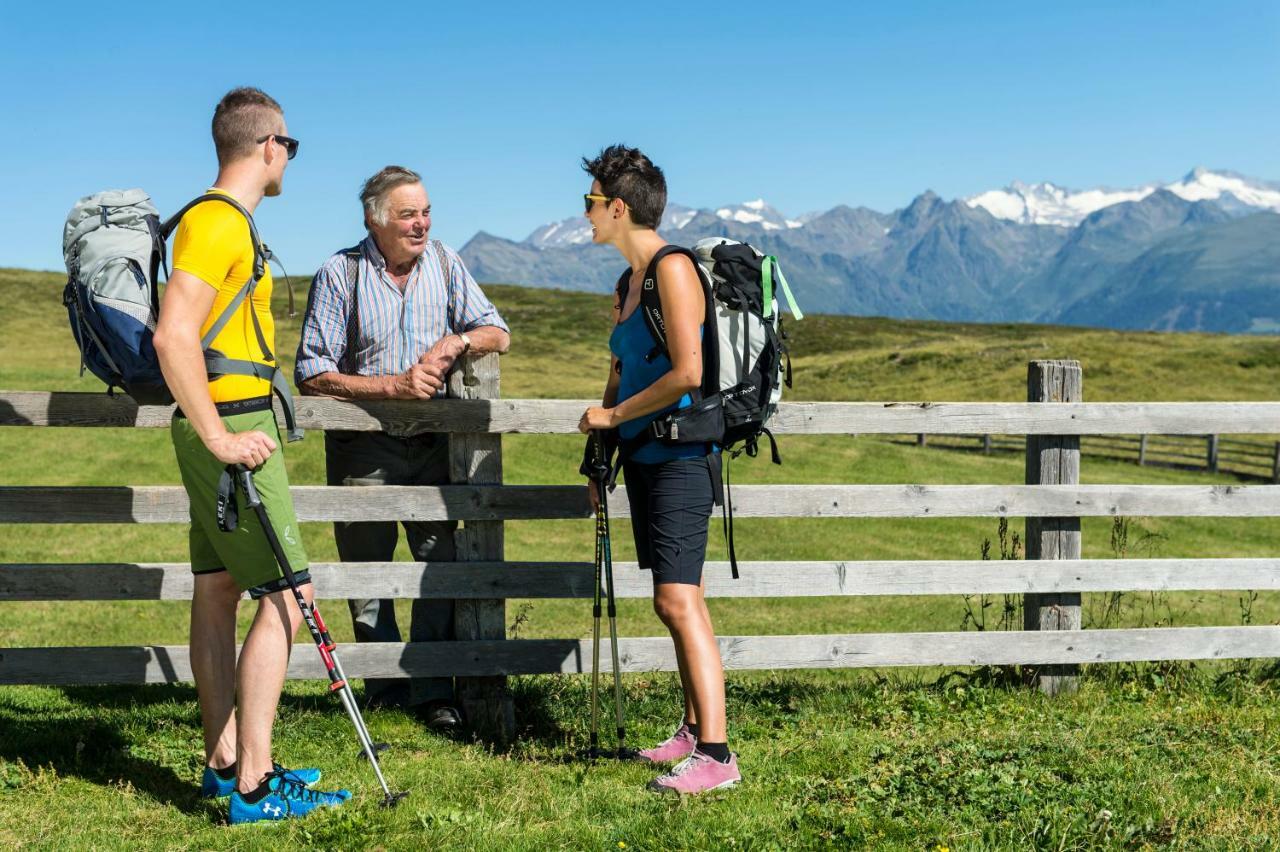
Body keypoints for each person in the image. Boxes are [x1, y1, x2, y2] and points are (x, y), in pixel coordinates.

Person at [153, 87, 350, 824]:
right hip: (234, 430)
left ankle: (224, 762)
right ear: (269, 145)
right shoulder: (218, 224)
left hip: (225, 425)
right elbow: (174, 335)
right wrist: (220, 437)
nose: (289, 158)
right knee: (290, 599)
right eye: (290, 145)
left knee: (216, 591)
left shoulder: (218, 223)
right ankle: (256, 787)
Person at [295, 165, 510, 731]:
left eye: (426, 211)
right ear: (375, 219)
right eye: (408, 214)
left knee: (438, 564)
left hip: (433, 444)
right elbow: (312, 370)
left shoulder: (445, 262)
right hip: (361, 446)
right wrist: (389, 388)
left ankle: (433, 688)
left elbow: (498, 332)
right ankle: (385, 689)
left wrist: (456, 340)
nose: (421, 223)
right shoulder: (340, 272)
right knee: (366, 570)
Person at [577, 145, 740, 794]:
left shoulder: (673, 270)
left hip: (680, 458)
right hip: (644, 457)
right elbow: (621, 373)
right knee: (671, 599)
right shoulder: (627, 283)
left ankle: (718, 755)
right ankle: (693, 731)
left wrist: (612, 421)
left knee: (679, 600)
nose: (585, 215)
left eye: (590, 204)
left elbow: (686, 375)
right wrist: (600, 456)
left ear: (618, 208)